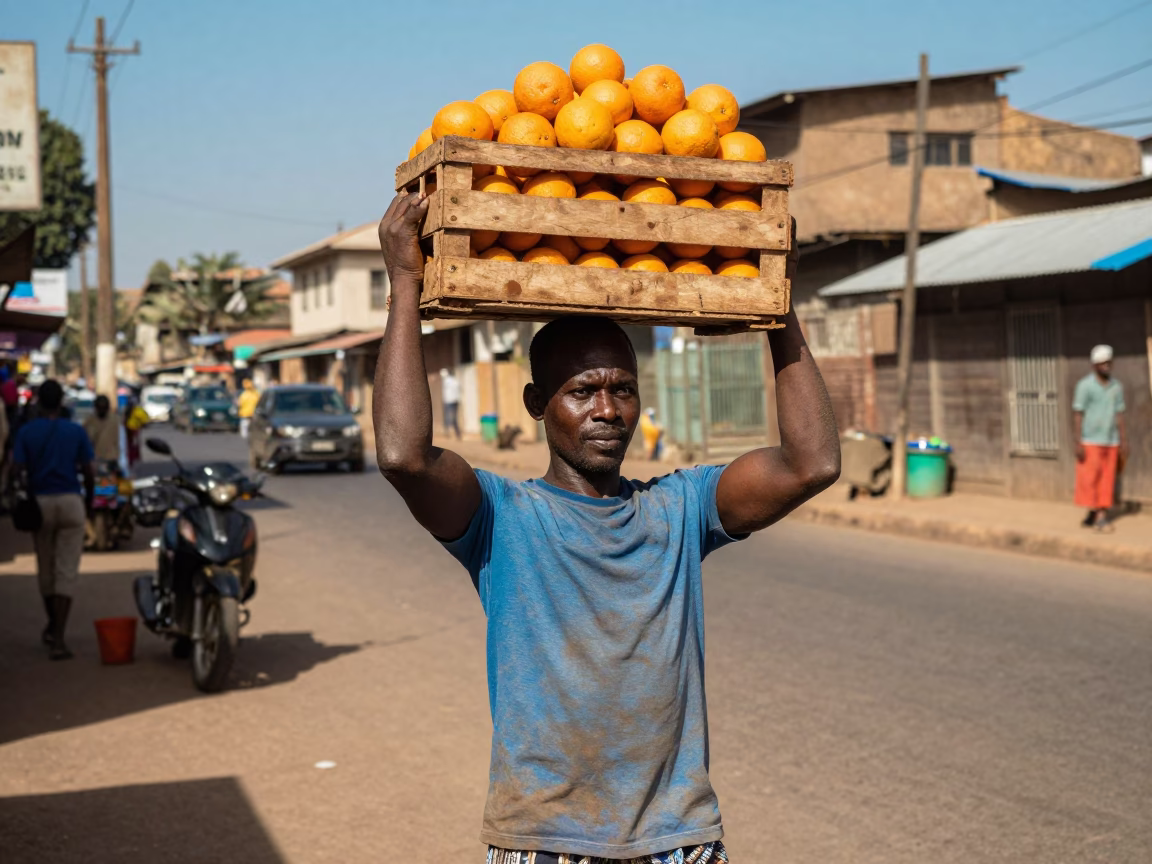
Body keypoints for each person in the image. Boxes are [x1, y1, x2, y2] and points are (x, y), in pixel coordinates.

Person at [374, 191, 840, 861]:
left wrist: (777, 298)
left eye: (622, 389)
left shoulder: (680, 508)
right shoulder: (502, 518)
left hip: (679, 838)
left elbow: (811, 462)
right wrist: (404, 280)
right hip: (545, 839)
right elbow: (403, 455)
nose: (607, 409)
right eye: (582, 391)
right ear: (538, 404)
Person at [10, 379, 95, 660]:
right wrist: (89, 502)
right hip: (71, 501)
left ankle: (52, 625)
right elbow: (88, 470)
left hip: (40, 503)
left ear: (38, 402)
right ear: (61, 402)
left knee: (46, 569)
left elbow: (17, 469)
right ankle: (58, 636)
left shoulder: (26, 433)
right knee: (66, 571)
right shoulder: (75, 431)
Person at [1073, 344, 1127, 533]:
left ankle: (1100, 516)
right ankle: (1094, 513)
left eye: (1108, 363)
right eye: (1102, 363)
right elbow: (1078, 413)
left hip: (1111, 440)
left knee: (1107, 479)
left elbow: (1120, 414)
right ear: (1094, 365)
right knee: (1089, 480)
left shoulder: (1116, 387)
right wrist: (1078, 441)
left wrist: (1123, 441)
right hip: (1090, 440)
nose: (1106, 366)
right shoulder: (1084, 386)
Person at [83, 395, 121, 471]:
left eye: (104, 408)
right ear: (96, 408)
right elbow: (86, 442)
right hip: (95, 460)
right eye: (100, 408)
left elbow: (121, 441)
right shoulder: (90, 421)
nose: (102, 410)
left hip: (111, 459)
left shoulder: (116, 420)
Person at [124, 397, 150, 468]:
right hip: (132, 430)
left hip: (130, 430)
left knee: (131, 445)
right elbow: (145, 420)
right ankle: (132, 459)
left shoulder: (130, 410)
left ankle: (132, 459)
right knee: (133, 445)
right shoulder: (137, 410)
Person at [440, 367, 462, 439]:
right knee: (453, 418)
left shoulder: (447, 381)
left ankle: (449, 433)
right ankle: (456, 433)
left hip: (449, 401)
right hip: (454, 401)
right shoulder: (455, 381)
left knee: (449, 418)